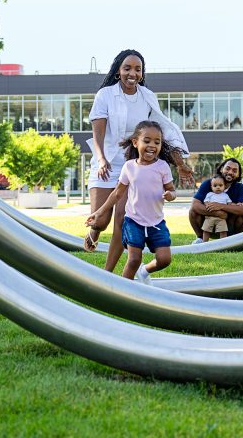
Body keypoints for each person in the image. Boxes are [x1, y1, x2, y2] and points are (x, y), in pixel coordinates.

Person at [82, 49, 194, 272]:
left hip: (130, 165)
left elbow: (163, 131)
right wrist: (101, 158)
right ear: (118, 71)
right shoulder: (105, 95)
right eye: (127, 68)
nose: (132, 73)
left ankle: (107, 274)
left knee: (122, 220)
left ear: (142, 73)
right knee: (101, 219)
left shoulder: (147, 97)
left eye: (137, 69)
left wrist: (180, 163)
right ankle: (94, 231)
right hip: (106, 163)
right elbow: (98, 132)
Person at [85, 121, 179, 283]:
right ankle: (124, 290)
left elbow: (171, 189)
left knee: (164, 259)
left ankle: (144, 271)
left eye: (157, 142)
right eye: (147, 141)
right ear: (135, 142)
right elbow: (117, 194)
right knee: (134, 259)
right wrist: (99, 212)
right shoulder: (129, 167)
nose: (152, 145)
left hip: (156, 223)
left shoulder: (162, 166)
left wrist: (171, 194)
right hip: (133, 221)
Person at [188, 158, 243, 241]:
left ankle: (236, 240)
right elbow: (195, 205)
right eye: (227, 168)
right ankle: (200, 239)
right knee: (192, 211)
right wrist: (219, 213)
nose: (230, 172)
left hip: (228, 227)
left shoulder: (239, 187)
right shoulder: (208, 183)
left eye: (235, 171)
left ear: (238, 175)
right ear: (221, 169)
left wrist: (221, 206)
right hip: (207, 226)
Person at [198, 173, 230, 241]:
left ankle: (224, 244)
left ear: (224, 186)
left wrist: (237, 205)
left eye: (220, 185)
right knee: (206, 231)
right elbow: (206, 202)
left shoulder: (225, 195)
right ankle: (204, 243)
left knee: (223, 231)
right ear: (211, 187)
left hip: (221, 218)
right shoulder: (210, 194)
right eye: (215, 185)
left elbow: (230, 204)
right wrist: (208, 206)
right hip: (210, 216)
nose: (218, 187)